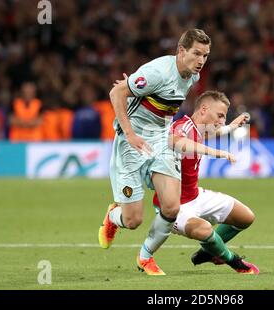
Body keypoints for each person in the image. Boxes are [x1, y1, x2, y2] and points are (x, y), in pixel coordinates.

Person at [99, 29, 235, 275]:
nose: (201, 60)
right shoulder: (158, 72)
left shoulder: (192, 77)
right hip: (131, 143)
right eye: (196, 53)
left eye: (205, 55)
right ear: (181, 51)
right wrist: (130, 133)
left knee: (171, 208)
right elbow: (116, 93)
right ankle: (113, 216)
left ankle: (145, 258)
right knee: (133, 220)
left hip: (160, 142)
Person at [152, 90, 259, 274]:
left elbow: (208, 134)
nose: (221, 121)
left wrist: (231, 127)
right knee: (204, 230)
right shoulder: (182, 126)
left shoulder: (197, 129)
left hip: (195, 195)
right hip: (173, 205)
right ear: (203, 109)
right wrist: (218, 152)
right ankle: (233, 261)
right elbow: (175, 141)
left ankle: (209, 252)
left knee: (246, 217)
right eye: (220, 115)